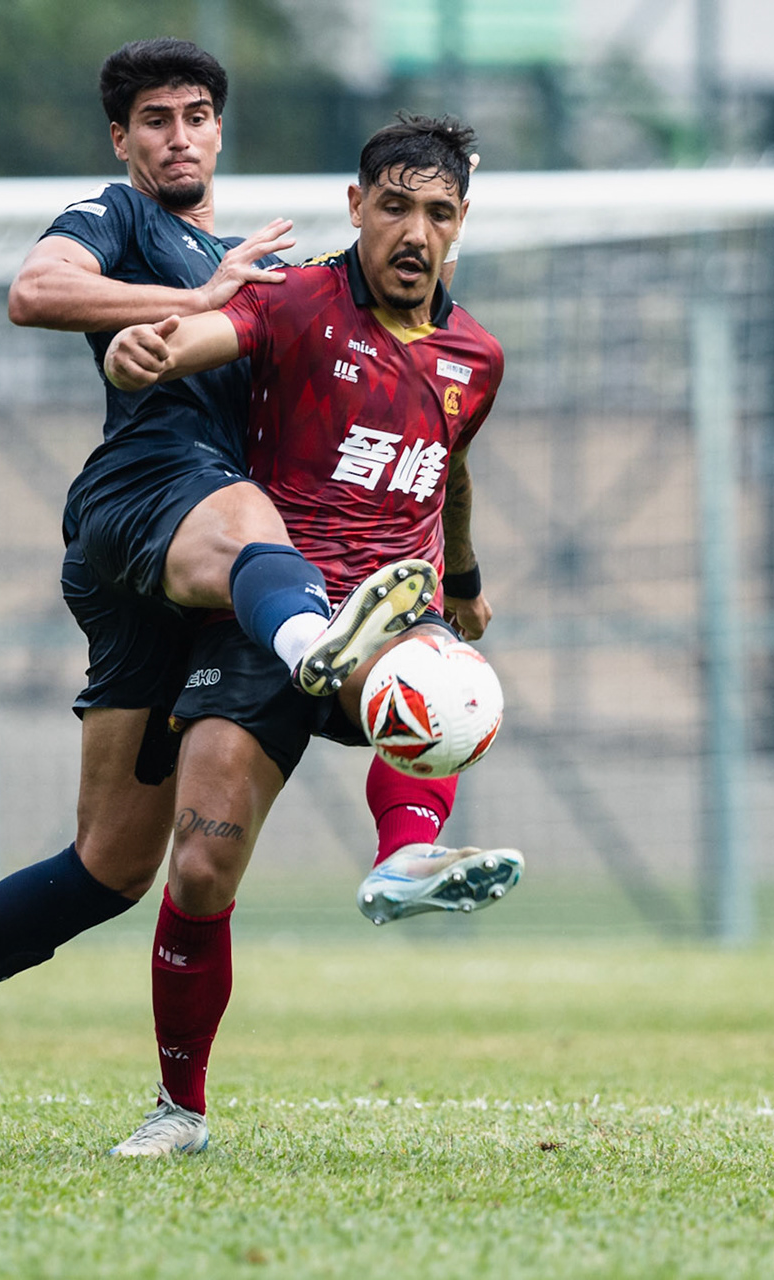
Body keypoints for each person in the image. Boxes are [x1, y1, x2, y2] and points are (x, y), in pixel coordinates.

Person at [0, 38, 455, 1152]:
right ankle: (317, 649)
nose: (179, 135)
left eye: (197, 114)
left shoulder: (258, 271)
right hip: (147, 500)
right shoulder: (118, 216)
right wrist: (193, 292)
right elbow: (34, 289)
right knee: (254, 516)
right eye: (155, 118)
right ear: (123, 138)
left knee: (108, 862)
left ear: (219, 128)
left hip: (181, 579)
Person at [99, 112, 518, 1155]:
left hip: (393, 602)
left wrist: (461, 576)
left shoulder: (477, 354)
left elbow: (450, 464)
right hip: (271, 603)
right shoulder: (295, 302)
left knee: (445, 683)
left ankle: (405, 857)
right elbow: (193, 342)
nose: (415, 232)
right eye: (395, 208)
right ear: (356, 206)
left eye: (439, 213)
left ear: (461, 225)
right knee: (198, 865)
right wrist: (145, 349)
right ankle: (179, 1109)